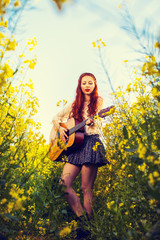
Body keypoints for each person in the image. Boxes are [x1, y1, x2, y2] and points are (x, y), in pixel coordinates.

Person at [49, 72, 108, 237]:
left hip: (90, 143)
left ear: (94, 85)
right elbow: (56, 117)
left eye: (90, 83)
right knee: (63, 184)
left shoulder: (99, 102)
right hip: (75, 147)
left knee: (86, 187)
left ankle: (86, 230)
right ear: (80, 86)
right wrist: (61, 128)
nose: (87, 85)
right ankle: (83, 220)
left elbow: (97, 125)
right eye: (84, 83)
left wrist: (91, 122)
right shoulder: (75, 103)